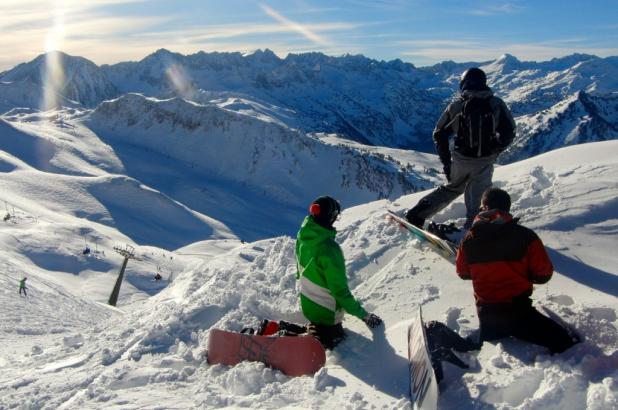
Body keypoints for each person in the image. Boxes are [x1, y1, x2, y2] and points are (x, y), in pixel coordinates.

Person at [456, 187, 578, 353]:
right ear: (507, 208)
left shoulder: (468, 239)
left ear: (484, 208)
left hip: (486, 315)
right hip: (518, 313)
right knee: (569, 343)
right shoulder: (526, 236)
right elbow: (543, 275)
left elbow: (463, 273)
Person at [406, 67, 516, 230]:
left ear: (464, 84)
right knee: (479, 199)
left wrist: (446, 162)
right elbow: (509, 131)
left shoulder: (457, 105)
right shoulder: (496, 103)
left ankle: (417, 214)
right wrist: (496, 150)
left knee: (452, 188)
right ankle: (474, 233)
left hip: (460, 159)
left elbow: (439, 133)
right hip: (484, 161)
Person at [295, 195, 382, 349]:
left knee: (317, 330)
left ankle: (288, 330)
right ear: (331, 217)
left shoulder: (303, 237)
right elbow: (340, 292)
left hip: (308, 307)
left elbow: (298, 271)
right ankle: (302, 342)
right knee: (334, 341)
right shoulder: (329, 250)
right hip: (328, 315)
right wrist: (365, 316)